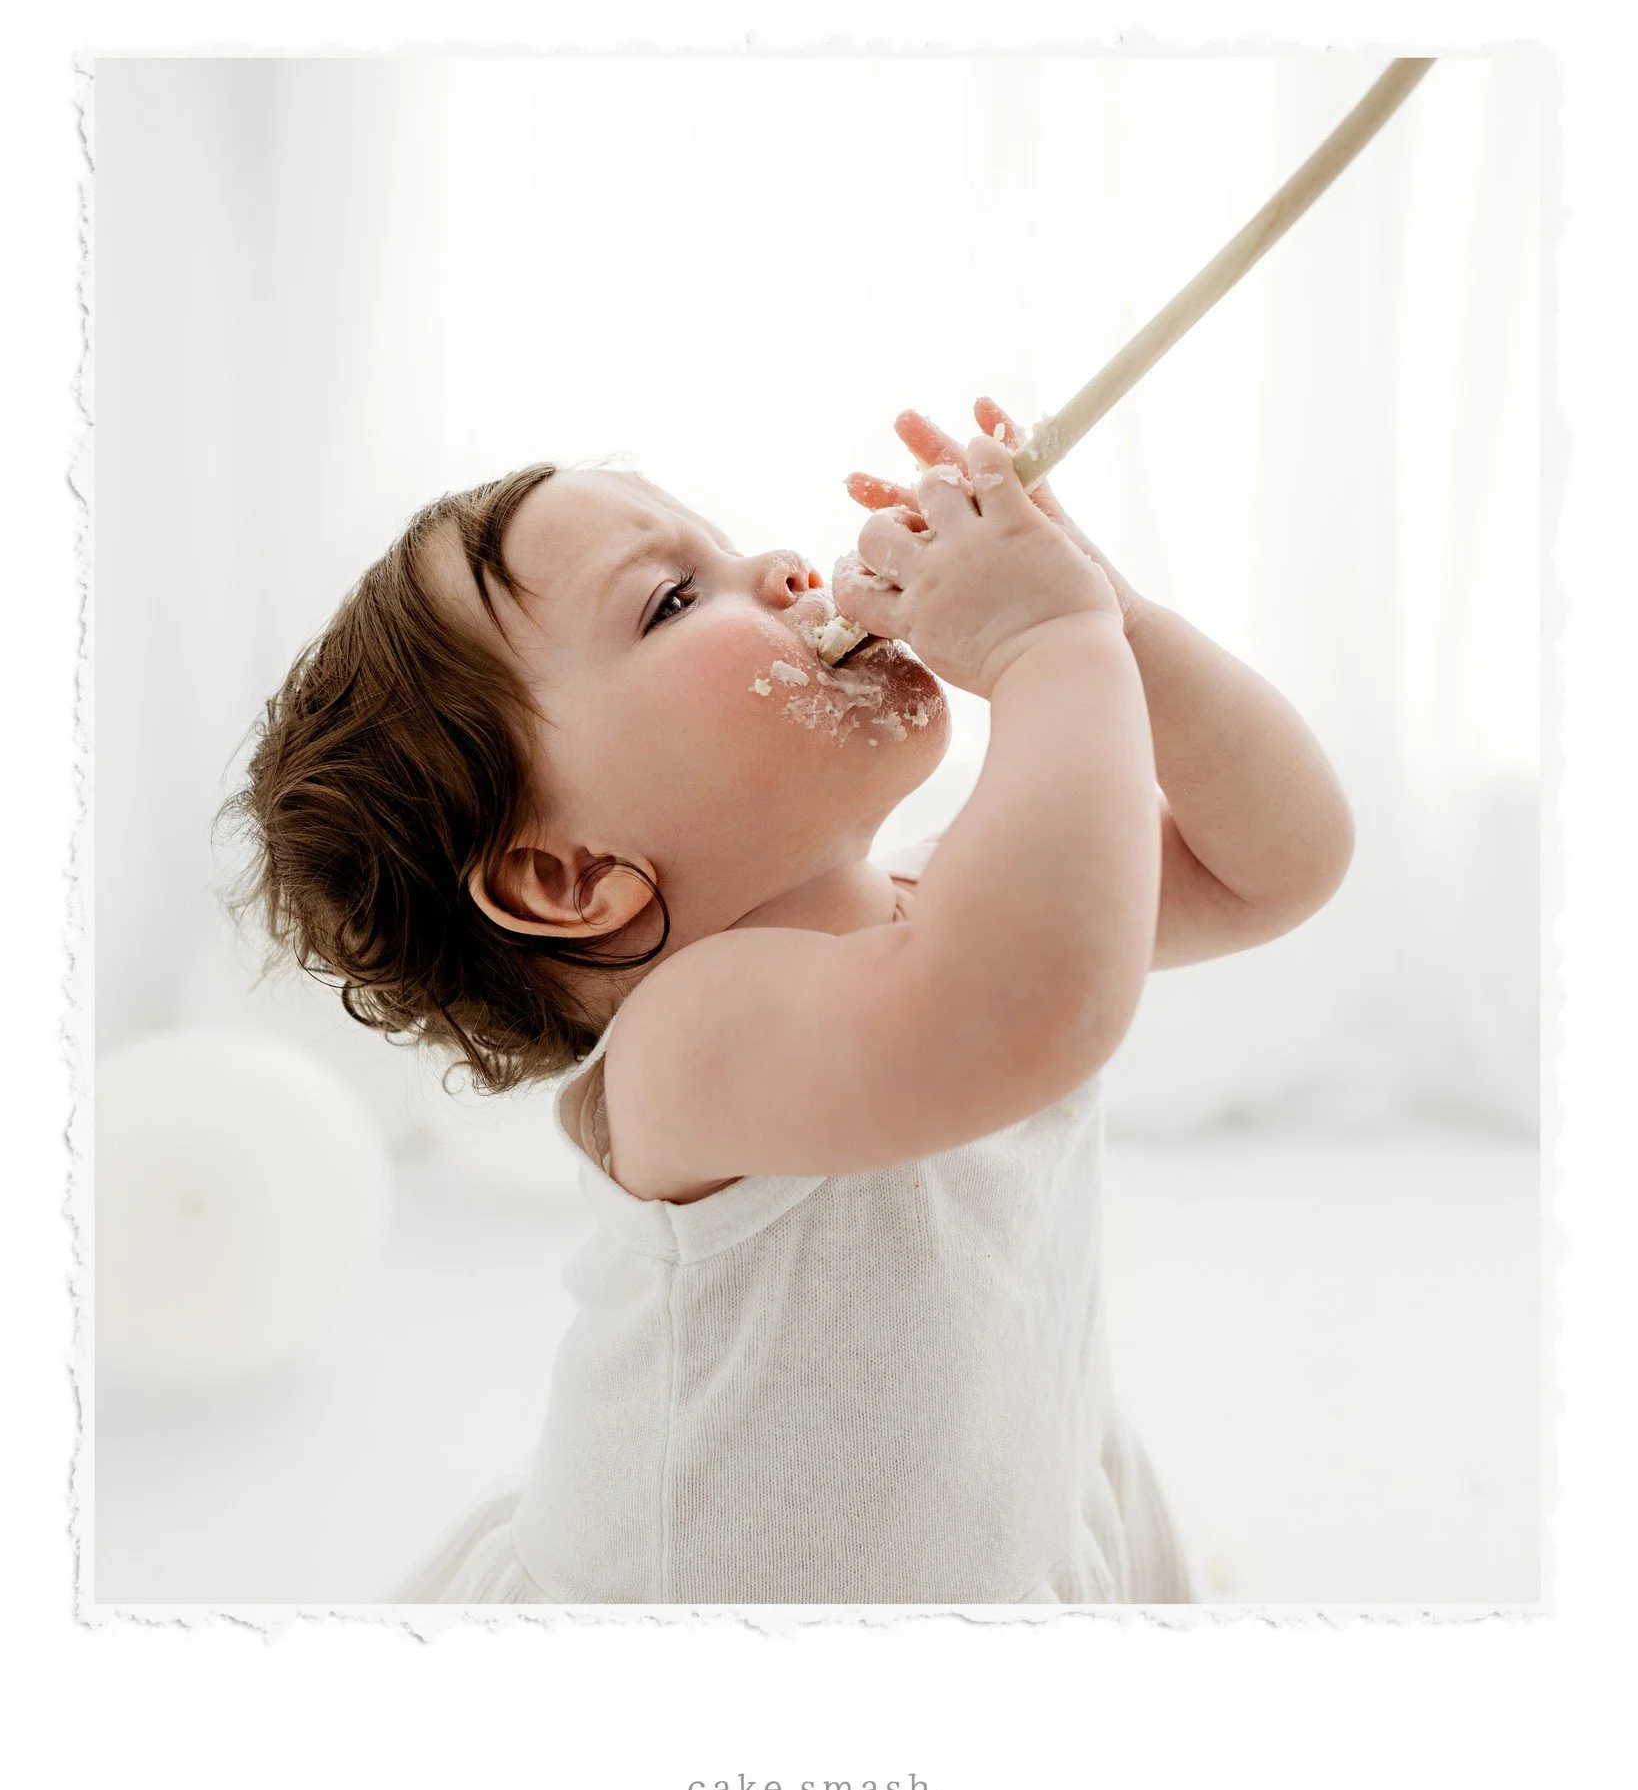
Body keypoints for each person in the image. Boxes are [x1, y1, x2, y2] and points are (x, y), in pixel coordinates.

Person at [227, 396, 1354, 1605]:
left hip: (1015, 1512)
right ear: (571, 875)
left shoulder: (948, 907)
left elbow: (1273, 865)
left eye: (730, 548)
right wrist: (1045, 647)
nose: (778, 567)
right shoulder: (693, 1041)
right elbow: (1027, 1005)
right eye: (673, 598)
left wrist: (1114, 619)